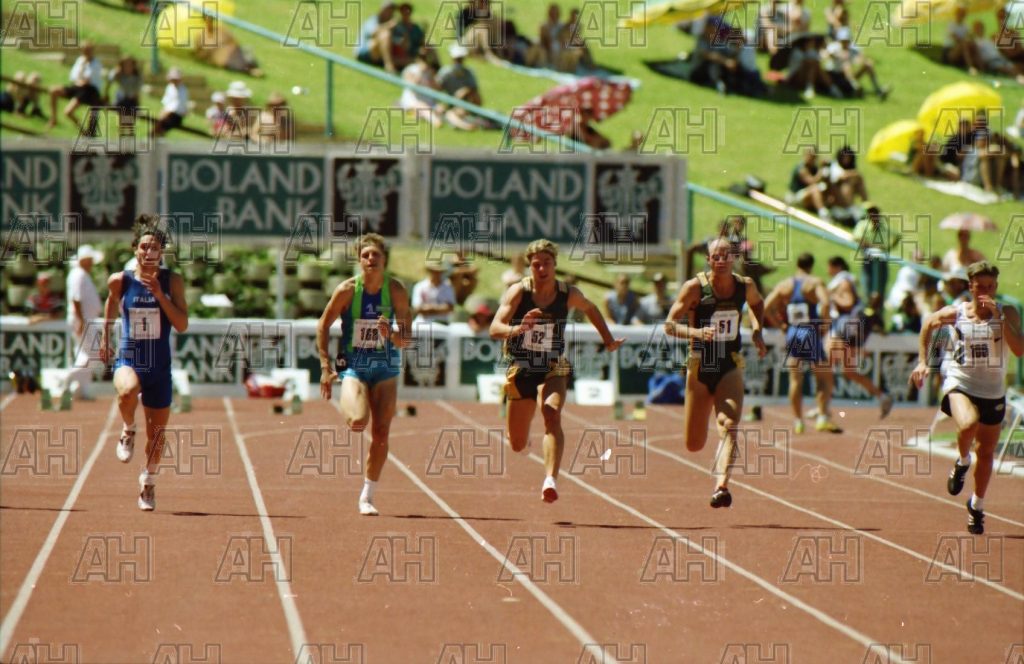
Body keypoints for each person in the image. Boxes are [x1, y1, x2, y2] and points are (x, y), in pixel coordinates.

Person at [491, 239, 623, 502]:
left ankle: (550, 479)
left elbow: (591, 308)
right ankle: (524, 440)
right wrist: (519, 328)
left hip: (553, 364)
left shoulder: (568, 293)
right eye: (536, 264)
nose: (542, 269)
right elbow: (495, 328)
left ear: (555, 265)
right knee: (516, 443)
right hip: (522, 367)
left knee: (551, 413)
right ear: (529, 267)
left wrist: (608, 340)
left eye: (547, 263)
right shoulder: (519, 292)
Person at [910, 261, 1023, 534]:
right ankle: (962, 461)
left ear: (996, 287)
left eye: (990, 287)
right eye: (980, 287)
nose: (986, 292)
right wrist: (923, 361)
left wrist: (1000, 318)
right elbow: (928, 323)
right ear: (970, 286)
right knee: (968, 423)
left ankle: (976, 505)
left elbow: (1019, 350)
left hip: (993, 391)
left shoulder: (1007, 312)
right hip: (960, 383)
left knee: (985, 452)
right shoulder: (957, 313)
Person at [665, 238, 768, 508]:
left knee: (730, 425)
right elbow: (669, 325)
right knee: (694, 444)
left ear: (734, 258)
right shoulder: (694, 288)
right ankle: (717, 470)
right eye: (715, 256)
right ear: (708, 260)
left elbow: (757, 304)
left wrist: (757, 330)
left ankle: (722, 486)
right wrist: (697, 332)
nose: (721, 260)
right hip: (700, 366)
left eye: (726, 255)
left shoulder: (745, 286)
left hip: (729, 364)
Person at [317, 233, 412, 516]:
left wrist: (390, 333)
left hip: (386, 366)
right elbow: (323, 325)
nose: (371, 259)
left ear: (385, 260)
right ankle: (352, 398)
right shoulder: (347, 290)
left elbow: (406, 340)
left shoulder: (396, 291)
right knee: (359, 422)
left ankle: (367, 496)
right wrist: (325, 367)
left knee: (381, 432)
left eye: (376, 255)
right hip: (355, 364)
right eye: (365, 255)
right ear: (359, 260)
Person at [99, 216, 189, 511]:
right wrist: (105, 337)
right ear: (135, 249)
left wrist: (160, 295)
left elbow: (182, 324)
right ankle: (128, 428)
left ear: (161, 253)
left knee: (158, 436)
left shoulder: (172, 281)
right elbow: (112, 301)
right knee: (127, 392)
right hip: (130, 358)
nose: (149, 252)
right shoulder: (120, 280)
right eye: (144, 247)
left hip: (159, 367)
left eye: (155, 248)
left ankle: (147, 484)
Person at [764, 253, 839, 433]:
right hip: (810, 331)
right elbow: (826, 303)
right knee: (823, 376)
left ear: (797, 264)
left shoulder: (785, 285)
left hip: (793, 332)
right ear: (811, 266)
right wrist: (825, 325)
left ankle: (798, 421)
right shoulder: (814, 283)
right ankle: (822, 417)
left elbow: (766, 306)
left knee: (795, 379)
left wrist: (780, 325)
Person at [825, 256, 893, 417]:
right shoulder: (843, 282)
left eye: (829, 266)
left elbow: (848, 303)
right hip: (843, 331)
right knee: (846, 371)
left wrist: (831, 296)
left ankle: (823, 408)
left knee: (828, 367)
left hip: (842, 331)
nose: (827, 270)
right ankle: (882, 396)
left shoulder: (844, 282)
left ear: (836, 266)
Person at [67, 244, 105, 399]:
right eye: (89, 260)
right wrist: (81, 321)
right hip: (83, 319)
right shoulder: (79, 274)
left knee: (84, 353)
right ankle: (65, 378)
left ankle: (80, 390)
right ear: (82, 260)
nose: (91, 263)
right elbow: (76, 298)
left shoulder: (81, 274)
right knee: (93, 353)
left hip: (85, 319)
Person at [46, 41, 102, 132]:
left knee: (68, 112)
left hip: (88, 90)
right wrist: (79, 80)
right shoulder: (80, 60)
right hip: (77, 87)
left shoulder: (96, 63)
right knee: (53, 90)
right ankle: (53, 119)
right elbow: (73, 77)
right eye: (84, 50)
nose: (86, 52)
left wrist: (80, 80)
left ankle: (83, 131)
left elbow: (87, 80)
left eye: (88, 50)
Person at [787, 147, 830, 218]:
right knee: (815, 189)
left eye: (812, 156)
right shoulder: (801, 168)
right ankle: (823, 213)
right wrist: (821, 169)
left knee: (824, 188)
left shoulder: (814, 168)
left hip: (805, 196)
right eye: (809, 155)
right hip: (794, 197)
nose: (810, 158)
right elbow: (812, 182)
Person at [411, 259, 456, 324]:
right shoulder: (420, 286)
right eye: (434, 271)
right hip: (423, 322)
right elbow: (417, 308)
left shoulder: (448, 287)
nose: (437, 274)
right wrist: (440, 308)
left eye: (439, 272)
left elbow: (450, 308)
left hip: (442, 323)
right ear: (430, 271)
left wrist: (429, 308)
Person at [355, 0, 396, 66]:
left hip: (377, 54)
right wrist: (388, 26)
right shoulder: (373, 19)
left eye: (391, 11)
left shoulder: (390, 23)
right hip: (363, 51)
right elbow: (372, 33)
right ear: (382, 9)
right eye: (388, 10)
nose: (390, 13)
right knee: (385, 35)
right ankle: (388, 64)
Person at [155, 67, 189, 137]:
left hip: (176, 116)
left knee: (161, 126)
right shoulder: (169, 87)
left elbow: (177, 107)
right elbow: (166, 102)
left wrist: (165, 113)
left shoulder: (183, 90)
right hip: (168, 114)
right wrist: (163, 112)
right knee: (159, 125)